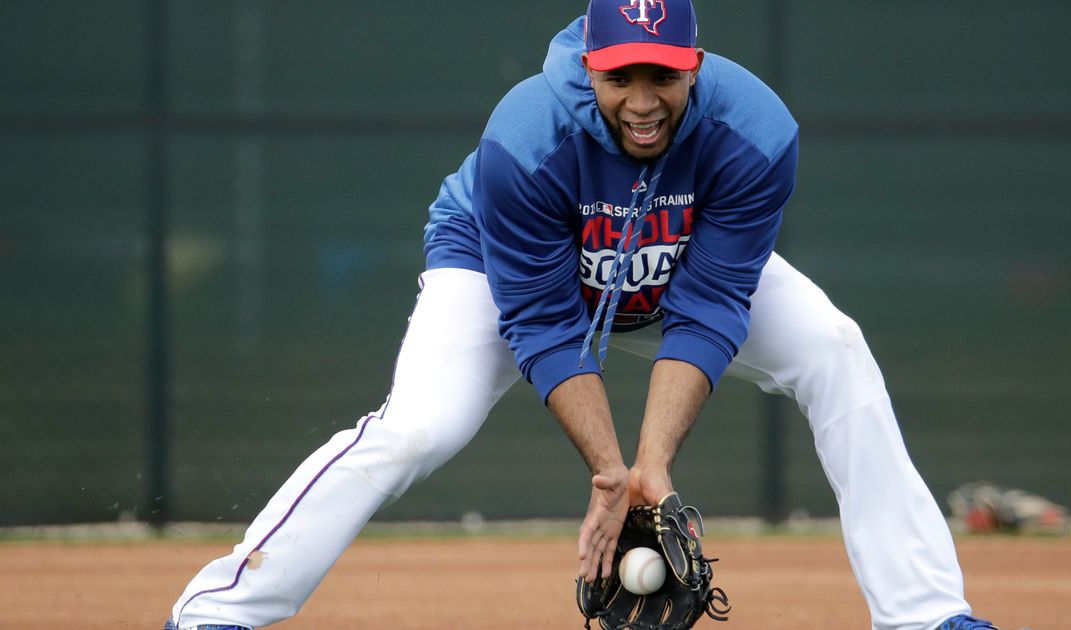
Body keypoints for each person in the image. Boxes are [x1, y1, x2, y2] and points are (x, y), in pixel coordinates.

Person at [166, 1, 999, 629]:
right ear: (589, 67)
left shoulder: (755, 133)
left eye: (663, 75)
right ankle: (218, 610)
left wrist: (652, 468)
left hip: (673, 263)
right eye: (620, 76)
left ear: (696, 65)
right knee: (418, 428)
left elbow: (710, 307)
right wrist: (611, 471)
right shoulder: (525, 138)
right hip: (501, 270)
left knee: (835, 349)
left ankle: (928, 614)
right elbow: (542, 323)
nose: (643, 98)